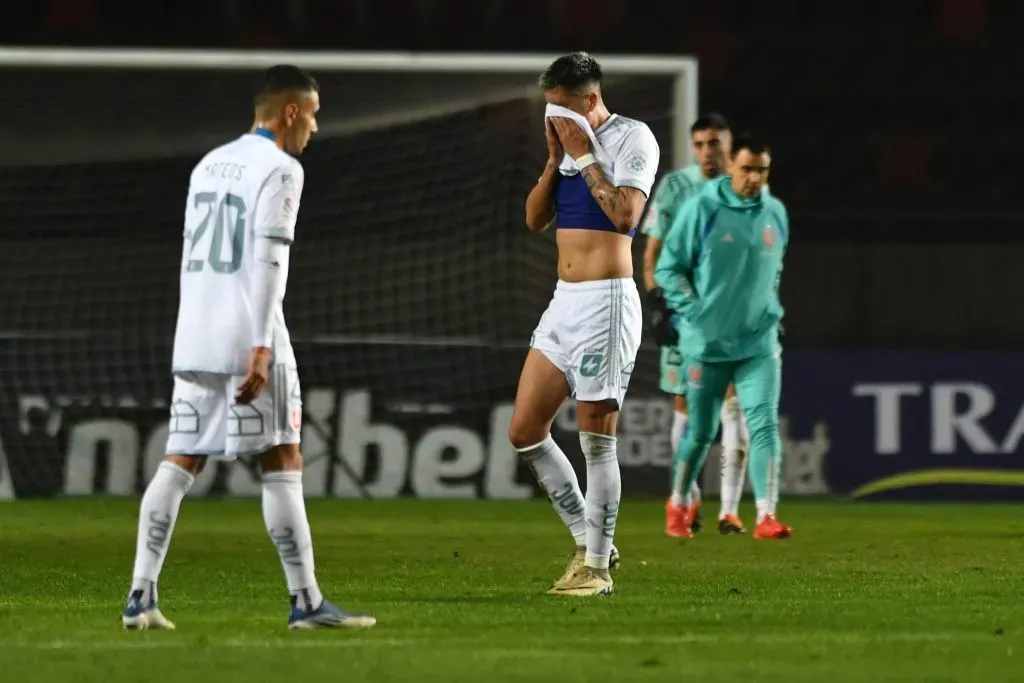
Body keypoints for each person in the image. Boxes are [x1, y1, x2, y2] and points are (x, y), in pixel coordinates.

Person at [121, 65, 375, 630]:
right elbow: (268, 258)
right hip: (248, 334)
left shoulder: (209, 162)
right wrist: (260, 344)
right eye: (312, 114)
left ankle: (141, 596)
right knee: (283, 456)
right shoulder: (282, 169)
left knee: (179, 460)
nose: (313, 126)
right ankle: (306, 602)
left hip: (195, 333)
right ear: (290, 112)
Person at [510, 52, 659, 596]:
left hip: (607, 303)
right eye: (550, 110)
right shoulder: (563, 145)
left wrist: (583, 154)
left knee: (597, 440)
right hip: (563, 301)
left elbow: (625, 215)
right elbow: (533, 219)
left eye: (564, 109)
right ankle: (587, 537)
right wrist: (555, 161)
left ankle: (594, 568)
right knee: (525, 430)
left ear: (591, 99)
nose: (555, 119)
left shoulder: (632, 139)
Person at [653, 133, 791, 541]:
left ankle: (766, 515)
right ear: (731, 165)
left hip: (758, 343)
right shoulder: (703, 208)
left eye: (761, 170)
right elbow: (667, 268)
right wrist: (695, 313)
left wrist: (770, 307)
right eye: (746, 168)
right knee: (701, 432)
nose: (753, 178)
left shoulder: (776, 213)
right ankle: (678, 501)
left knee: (764, 425)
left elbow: (775, 270)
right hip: (707, 345)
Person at [642, 114, 750, 537]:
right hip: (687, 315)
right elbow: (651, 253)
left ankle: (730, 510)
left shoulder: (748, 186)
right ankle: (686, 500)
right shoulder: (675, 187)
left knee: (734, 404)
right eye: (700, 143)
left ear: (729, 144)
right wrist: (658, 304)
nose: (708, 151)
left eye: (715, 143)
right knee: (686, 406)